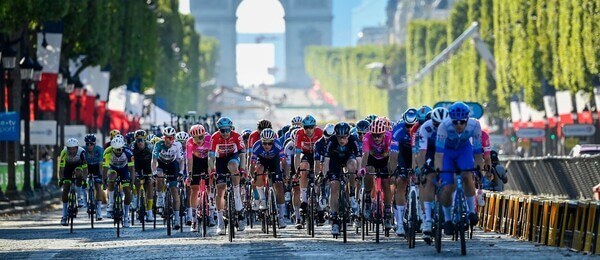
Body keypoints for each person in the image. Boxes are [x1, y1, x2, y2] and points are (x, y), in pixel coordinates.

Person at [434, 102, 484, 236]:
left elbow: (478, 152)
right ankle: (448, 220)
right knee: (447, 186)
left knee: (467, 175)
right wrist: (438, 171)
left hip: (464, 150)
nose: (459, 125)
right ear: (451, 120)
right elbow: (438, 155)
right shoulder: (444, 126)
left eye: (462, 122)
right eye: (455, 122)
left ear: (467, 119)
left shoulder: (475, 125)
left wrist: (479, 169)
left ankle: (472, 212)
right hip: (447, 154)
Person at [209, 117, 247, 235]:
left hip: (233, 157)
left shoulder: (236, 136)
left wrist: (243, 169)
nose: (225, 133)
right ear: (219, 130)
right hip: (220, 160)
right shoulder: (214, 137)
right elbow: (210, 157)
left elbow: (242, 155)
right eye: (222, 130)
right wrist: (212, 170)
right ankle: (220, 223)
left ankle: (236, 196)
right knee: (220, 190)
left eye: (227, 130)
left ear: (231, 129)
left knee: (232, 166)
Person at [322, 122, 361, 235]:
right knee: (334, 187)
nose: (341, 140)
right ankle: (334, 218)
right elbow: (327, 160)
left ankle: (352, 195)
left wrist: (358, 172)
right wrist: (326, 174)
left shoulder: (354, 140)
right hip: (334, 160)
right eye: (339, 137)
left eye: (344, 137)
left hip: (349, 158)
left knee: (352, 165)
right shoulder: (331, 141)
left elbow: (358, 158)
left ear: (348, 135)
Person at [250, 128, 288, 228]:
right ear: (261, 141)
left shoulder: (278, 144)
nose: (267, 145)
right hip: (261, 161)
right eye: (265, 143)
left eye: (269, 143)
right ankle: (262, 199)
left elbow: (284, 162)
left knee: (279, 186)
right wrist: (252, 176)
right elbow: (252, 163)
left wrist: (285, 174)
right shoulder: (257, 145)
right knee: (258, 171)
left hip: (274, 161)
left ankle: (281, 217)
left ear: (273, 141)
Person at [152, 126, 185, 230]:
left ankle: (176, 218)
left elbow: (181, 160)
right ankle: (160, 197)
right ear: (163, 137)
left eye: (171, 138)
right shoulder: (159, 144)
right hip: (161, 163)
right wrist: (154, 172)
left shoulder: (177, 145)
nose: (168, 140)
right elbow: (154, 160)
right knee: (159, 176)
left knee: (174, 191)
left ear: (174, 138)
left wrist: (180, 172)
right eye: (166, 137)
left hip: (172, 165)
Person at [294, 115, 323, 229]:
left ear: (314, 127)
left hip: (317, 155)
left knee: (319, 175)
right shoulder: (299, 134)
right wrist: (297, 170)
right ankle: (304, 200)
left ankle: (320, 206)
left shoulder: (320, 133)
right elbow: (297, 155)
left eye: (311, 127)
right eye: (306, 127)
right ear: (303, 127)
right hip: (306, 155)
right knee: (303, 167)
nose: (309, 130)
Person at [186, 124, 214, 231]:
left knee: (210, 186)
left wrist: (212, 171)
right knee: (194, 189)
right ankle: (194, 220)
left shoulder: (209, 139)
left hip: (207, 161)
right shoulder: (189, 143)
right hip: (196, 162)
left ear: (204, 135)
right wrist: (190, 175)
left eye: (201, 137)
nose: (198, 140)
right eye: (195, 138)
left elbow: (212, 157)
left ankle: (211, 214)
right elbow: (189, 160)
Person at [103, 135, 135, 227]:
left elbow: (132, 169)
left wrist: (131, 183)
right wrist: (104, 182)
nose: (117, 152)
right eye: (115, 149)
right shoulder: (107, 152)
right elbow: (104, 169)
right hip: (112, 168)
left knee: (128, 191)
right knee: (111, 177)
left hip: (124, 169)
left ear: (123, 147)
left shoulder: (128, 152)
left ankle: (126, 216)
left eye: (119, 149)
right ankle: (111, 204)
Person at [59, 138, 88, 226]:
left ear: (77, 148)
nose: (71, 150)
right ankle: (64, 215)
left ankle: (79, 198)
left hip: (78, 165)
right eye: (69, 148)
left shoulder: (82, 152)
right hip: (68, 167)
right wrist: (61, 179)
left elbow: (85, 168)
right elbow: (61, 169)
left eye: (73, 148)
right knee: (66, 187)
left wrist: (84, 179)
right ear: (67, 148)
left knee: (79, 174)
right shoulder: (64, 152)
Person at [131, 129, 155, 222]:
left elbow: (155, 160)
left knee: (149, 183)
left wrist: (153, 173)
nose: (140, 142)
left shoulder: (150, 147)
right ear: (135, 140)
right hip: (136, 164)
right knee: (136, 181)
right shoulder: (132, 147)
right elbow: (130, 161)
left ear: (145, 140)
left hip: (148, 164)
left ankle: (149, 211)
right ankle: (136, 199)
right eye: (138, 140)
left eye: (142, 140)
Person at [83, 134, 104, 221]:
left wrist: (101, 176)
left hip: (96, 167)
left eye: (91, 144)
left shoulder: (99, 150)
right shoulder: (83, 150)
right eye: (87, 144)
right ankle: (84, 200)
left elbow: (101, 165)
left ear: (94, 144)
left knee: (98, 186)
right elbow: (82, 165)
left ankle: (99, 209)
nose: (89, 146)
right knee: (83, 182)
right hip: (87, 166)